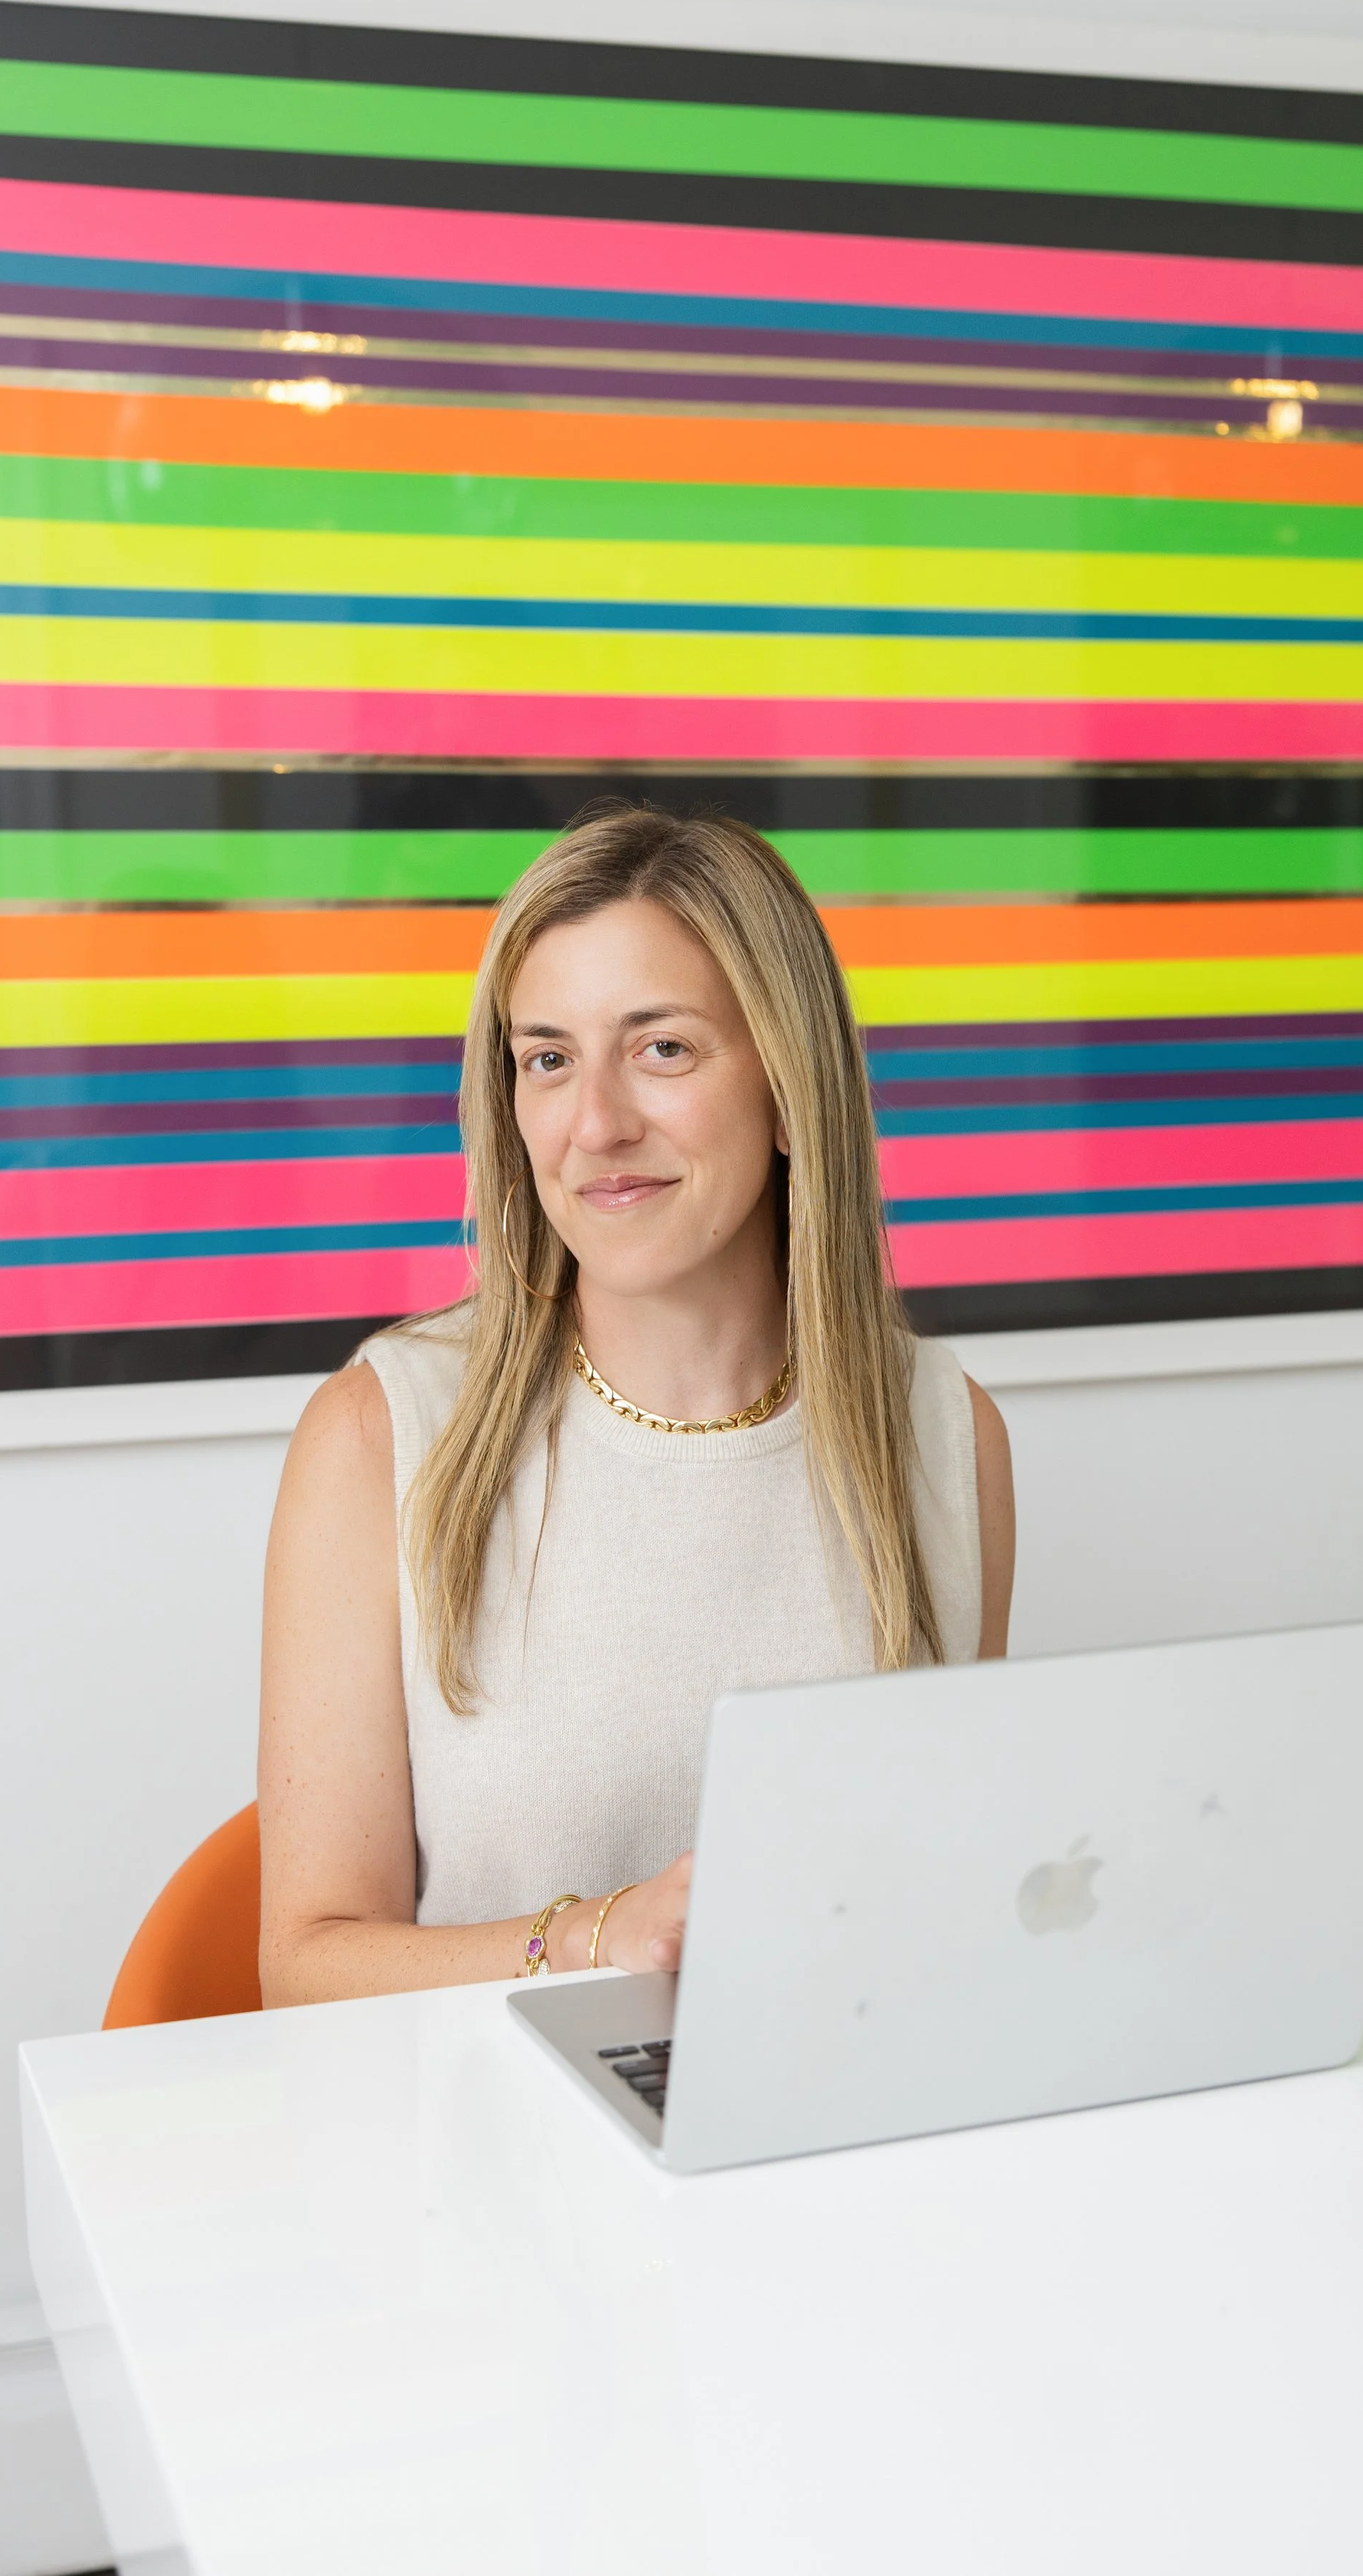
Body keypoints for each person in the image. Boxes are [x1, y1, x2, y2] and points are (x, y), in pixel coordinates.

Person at [258, 807, 1014, 2003]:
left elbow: (953, 1883)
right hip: (486, 2155)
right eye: (548, 1058)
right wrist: (601, 1936)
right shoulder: (379, 1436)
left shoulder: (943, 1431)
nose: (596, 1125)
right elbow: (305, 1965)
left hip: (845, 2137)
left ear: (785, 1081)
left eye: (661, 1048)